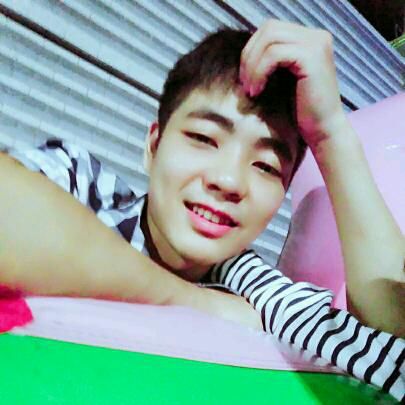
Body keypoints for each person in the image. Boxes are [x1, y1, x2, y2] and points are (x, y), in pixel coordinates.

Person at [0, 19, 404, 401]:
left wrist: (330, 134)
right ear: (154, 146)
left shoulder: (255, 290)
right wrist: (196, 303)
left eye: (265, 166)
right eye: (203, 138)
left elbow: (393, 352)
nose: (228, 181)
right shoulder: (83, 187)